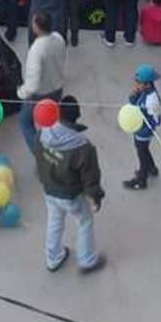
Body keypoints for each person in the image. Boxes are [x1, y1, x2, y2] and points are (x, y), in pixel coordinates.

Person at [32, 94, 105, 273]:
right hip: (71, 194)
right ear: (76, 116)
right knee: (85, 221)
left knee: (54, 221)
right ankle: (87, 260)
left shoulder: (42, 133)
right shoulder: (83, 147)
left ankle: (53, 258)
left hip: (49, 189)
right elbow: (91, 178)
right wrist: (95, 197)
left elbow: (38, 157)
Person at [18, 12, 67, 154]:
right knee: (50, 123)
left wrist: (21, 92)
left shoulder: (36, 50)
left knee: (25, 122)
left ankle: (40, 155)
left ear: (37, 27)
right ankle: (54, 150)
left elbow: (32, 84)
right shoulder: (59, 38)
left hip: (40, 95)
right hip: (57, 88)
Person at [122, 64, 161, 190]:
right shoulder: (143, 92)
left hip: (144, 132)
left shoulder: (152, 100)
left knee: (141, 153)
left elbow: (156, 120)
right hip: (139, 128)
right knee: (144, 150)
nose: (135, 84)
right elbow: (132, 102)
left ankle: (141, 180)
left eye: (138, 82)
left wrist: (143, 122)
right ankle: (152, 168)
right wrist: (134, 94)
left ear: (147, 84)